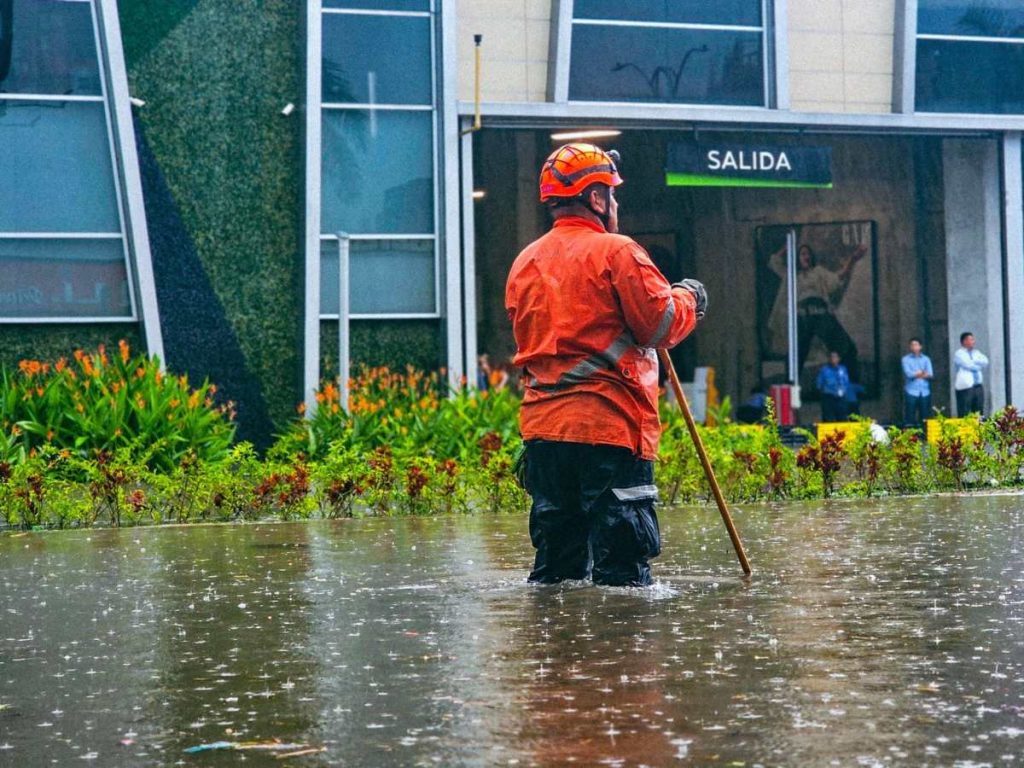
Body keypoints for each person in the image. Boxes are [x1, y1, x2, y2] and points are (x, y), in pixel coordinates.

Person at [505, 143, 706, 587]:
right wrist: (689, 297)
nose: (615, 204)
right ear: (596, 199)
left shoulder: (525, 262)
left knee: (555, 572)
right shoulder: (618, 252)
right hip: (609, 431)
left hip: (544, 437)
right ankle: (615, 655)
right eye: (611, 195)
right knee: (624, 576)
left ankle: (554, 653)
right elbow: (660, 326)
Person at [769, 240, 866, 383]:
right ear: (797, 257)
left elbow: (839, 277)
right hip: (802, 313)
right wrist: (786, 246)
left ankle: (852, 384)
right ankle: (789, 390)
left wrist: (853, 259)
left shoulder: (818, 272)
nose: (806, 256)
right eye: (802, 254)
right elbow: (774, 262)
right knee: (797, 353)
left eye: (808, 254)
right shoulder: (791, 275)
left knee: (847, 347)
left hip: (819, 310)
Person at [953, 331, 988, 417]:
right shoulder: (959, 353)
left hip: (978, 386)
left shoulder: (977, 352)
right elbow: (967, 365)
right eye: (971, 339)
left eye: (973, 339)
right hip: (965, 387)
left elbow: (986, 362)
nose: (973, 341)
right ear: (964, 341)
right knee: (965, 410)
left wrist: (974, 362)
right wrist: (978, 365)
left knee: (978, 410)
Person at [901, 337, 933, 428]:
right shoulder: (905, 359)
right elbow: (908, 374)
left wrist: (917, 373)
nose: (914, 347)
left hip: (924, 391)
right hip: (911, 390)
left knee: (925, 416)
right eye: (912, 345)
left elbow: (930, 374)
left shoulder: (926, 359)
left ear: (920, 346)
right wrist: (922, 373)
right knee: (910, 416)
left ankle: (924, 437)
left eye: (916, 345)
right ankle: (912, 438)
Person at [816, 351, 850, 422]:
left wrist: (843, 391)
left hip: (841, 397)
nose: (833, 359)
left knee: (842, 418)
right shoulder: (824, 370)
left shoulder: (842, 369)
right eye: (831, 357)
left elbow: (846, 382)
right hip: (828, 397)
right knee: (828, 418)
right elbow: (819, 384)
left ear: (838, 359)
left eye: (835, 357)